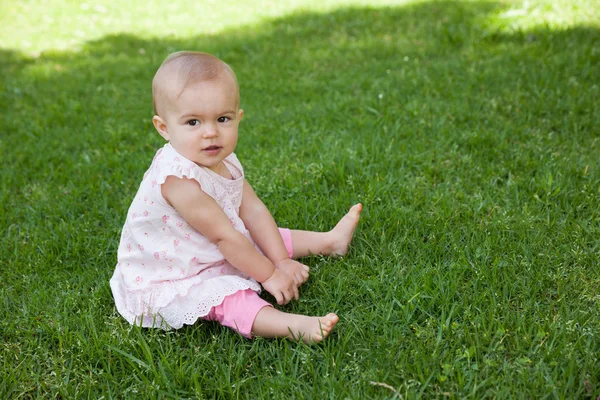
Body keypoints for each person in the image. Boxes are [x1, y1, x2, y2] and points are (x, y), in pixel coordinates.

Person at [109, 51, 362, 343]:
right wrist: (270, 275)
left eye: (222, 118)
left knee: (265, 237)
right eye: (193, 122)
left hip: (204, 245)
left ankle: (330, 242)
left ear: (238, 118)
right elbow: (225, 239)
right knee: (227, 295)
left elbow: (252, 210)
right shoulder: (178, 180)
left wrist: (280, 259)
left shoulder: (223, 159)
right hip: (175, 272)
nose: (211, 133)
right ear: (164, 127)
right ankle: (294, 326)